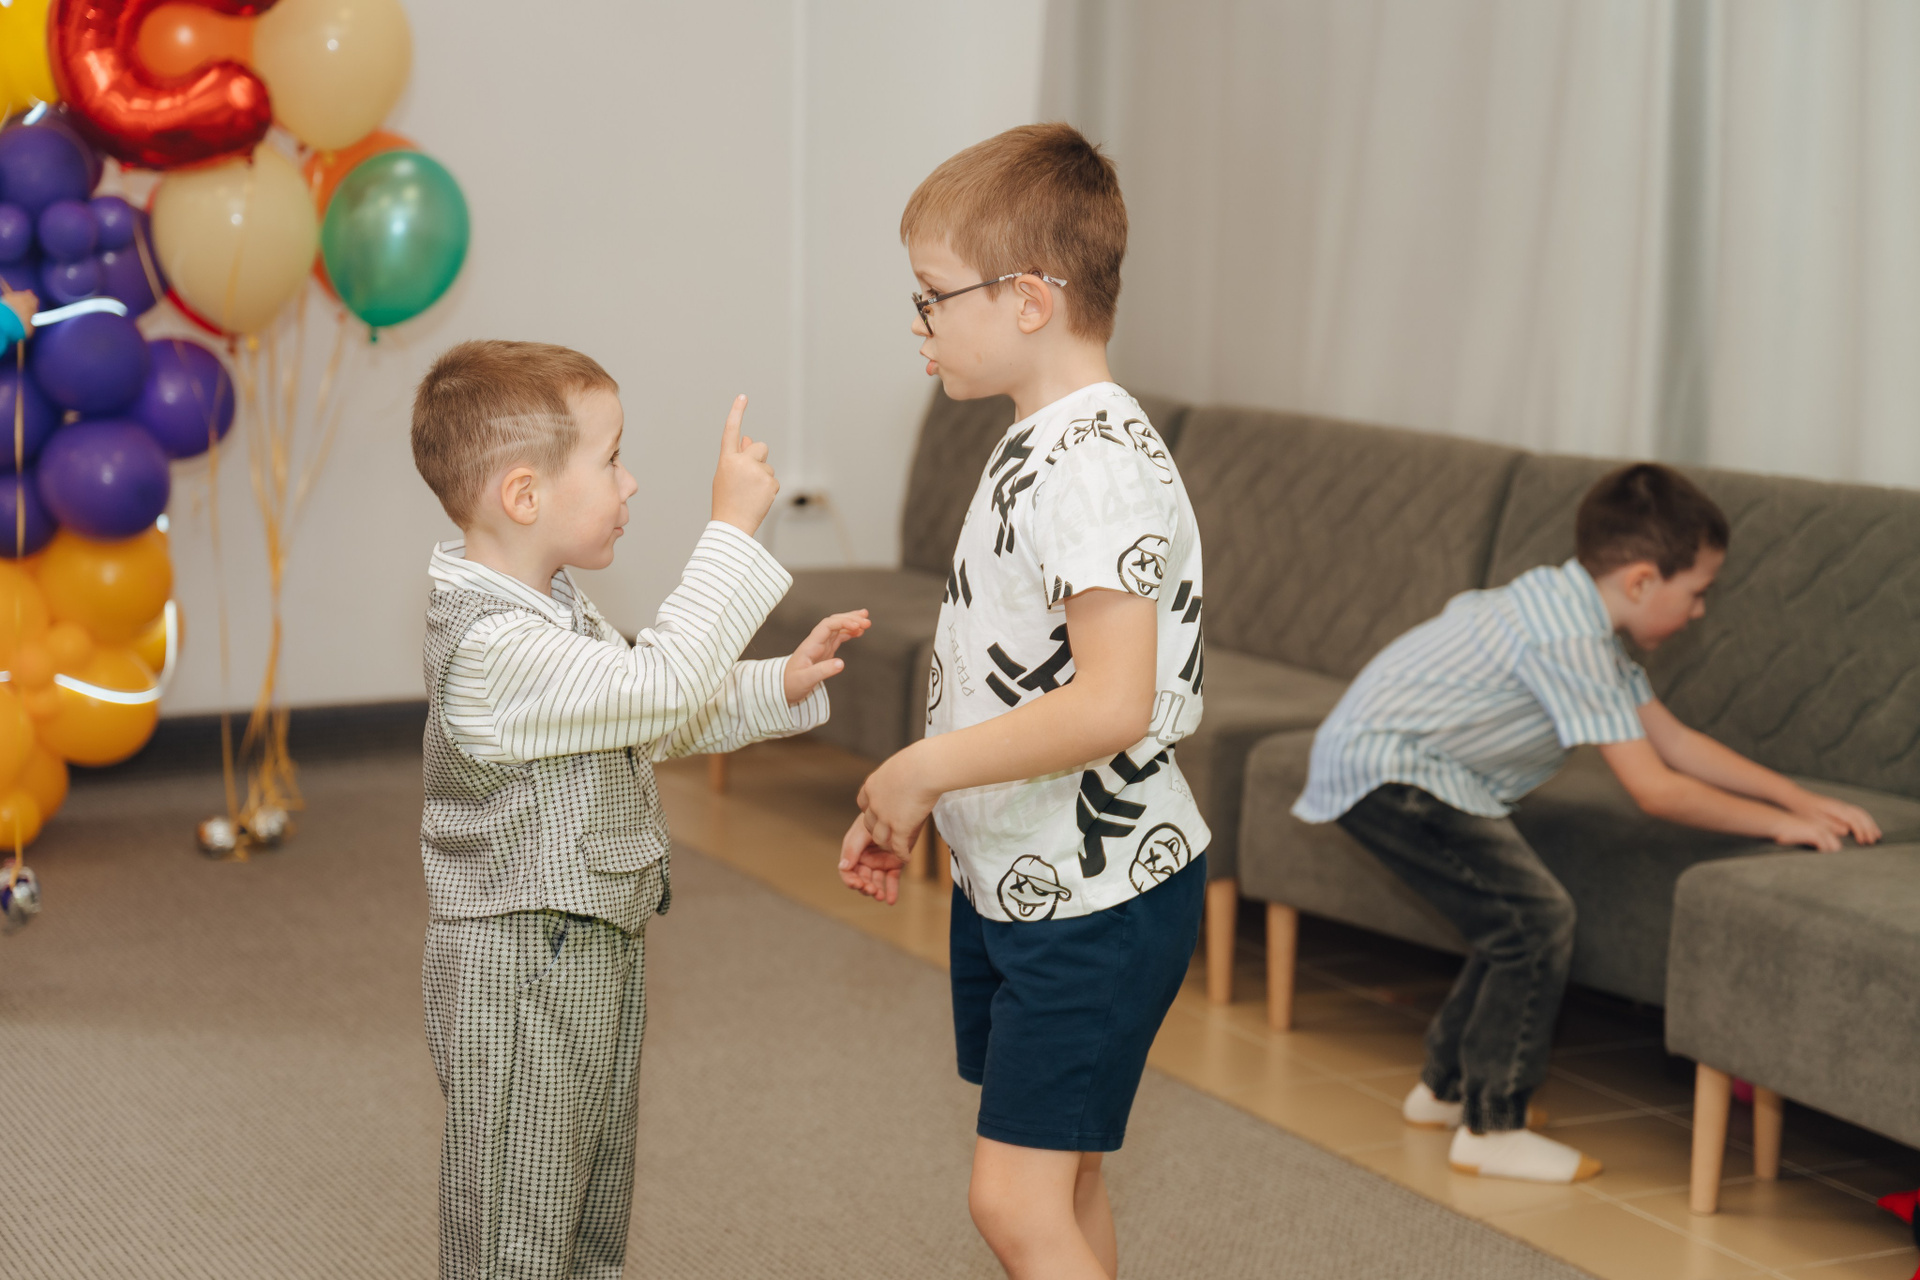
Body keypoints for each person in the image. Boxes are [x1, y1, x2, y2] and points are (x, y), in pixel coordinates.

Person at [409, 340, 869, 1279]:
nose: (631, 482)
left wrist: (775, 684)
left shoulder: (551, 607)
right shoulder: (493, 646)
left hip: (591, 947)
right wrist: (730, 529)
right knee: (517, 1234)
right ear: (525, 495)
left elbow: (640, 720)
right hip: (520, 964)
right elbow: (658, 688)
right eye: (612, 458)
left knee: (587, 1210)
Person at [839, 124, 1208, 1280]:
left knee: (1013, 1200)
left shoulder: (1093, 464)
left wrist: (920, 768)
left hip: (1096, 895)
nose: (920, 322)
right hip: (1030, 874)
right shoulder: (1040, 438)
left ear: (1031, 300)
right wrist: (931, 801)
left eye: (933, 295)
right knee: (1065, 1180)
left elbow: (1112, 702)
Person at [1292, 462, 1882, 1184]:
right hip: (1394, 770)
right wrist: (1777, 826)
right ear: (1641, 581)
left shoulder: (1580, 619)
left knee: (1509, 923)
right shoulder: (1567, 638)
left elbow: (1676, 743)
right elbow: (1655, 788)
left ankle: (1446, 1091)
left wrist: (1796, 801)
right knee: (1535, 923)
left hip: (1399, 763)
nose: (1701, 610)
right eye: (1698, 592)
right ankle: (1492, 1127)